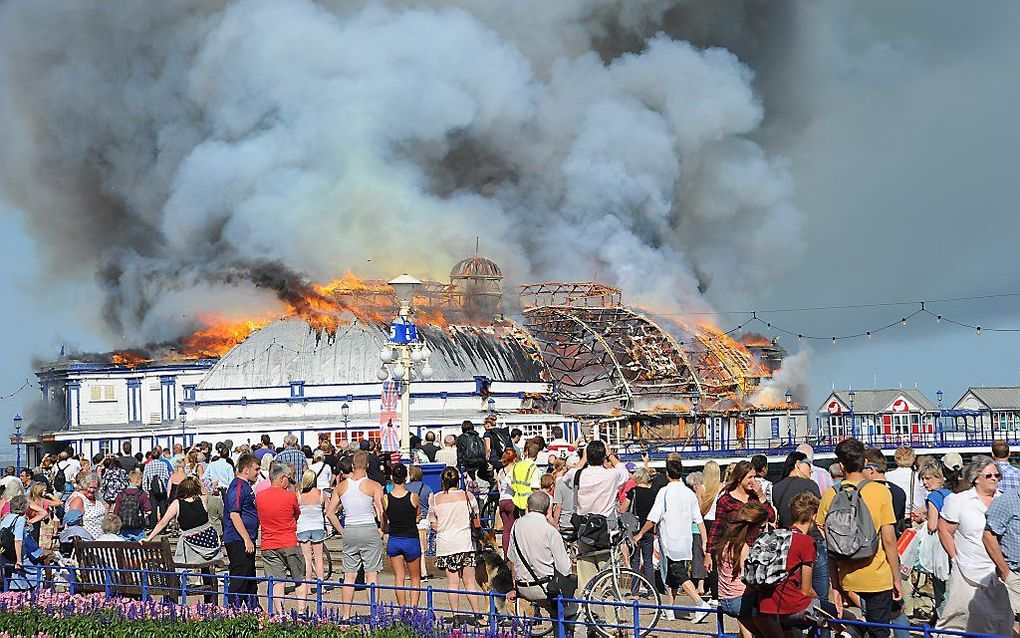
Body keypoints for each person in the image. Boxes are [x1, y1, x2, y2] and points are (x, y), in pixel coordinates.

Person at [815, 438, 901, 637]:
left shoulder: (830, 494)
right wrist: (896, 578)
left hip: (847, 576)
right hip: (878, 574)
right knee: (879, 629)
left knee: (854, 622)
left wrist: (835, 585)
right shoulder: (880, 492)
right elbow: (889, 540)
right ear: (864, 463)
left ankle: (853, 632)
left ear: (841, 466)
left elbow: (829, 542)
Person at [936, 455, 1012, 635]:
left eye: (997, 475)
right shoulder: (959, 501)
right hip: (966, 570)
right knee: (958, 618)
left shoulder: (1004, 501)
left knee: (1000, 619)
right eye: (989, 476)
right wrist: (954, 558)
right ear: (976, 478)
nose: (994, 479)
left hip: (1000, 571)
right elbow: (944, 529)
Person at [633, 459, 712, 622]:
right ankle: (670, 609)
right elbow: (699, 520)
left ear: (668, 475)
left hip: (670, 540)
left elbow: (653, 518)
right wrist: (705, 541)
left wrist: (640, 534)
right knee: (672, 575)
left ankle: (700, 603)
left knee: (677, 573)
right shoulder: (689, 493)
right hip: (685, 541)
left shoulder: (664, 492)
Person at [507, 490, 580, 637]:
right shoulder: (550, 531)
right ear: (548, 510)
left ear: (527, 506)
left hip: (522, 587)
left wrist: (514, 585)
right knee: (576, 610)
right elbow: (564, 568)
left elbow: (511, 559)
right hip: (544, 588)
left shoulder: (516, 525)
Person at [145, 476, 222, 604]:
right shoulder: (202, 499)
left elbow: (163, 522)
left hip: (190, 548)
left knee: (179, 561)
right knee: (207, 569)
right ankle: (210, 603)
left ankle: (175, 597)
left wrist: (149, 538)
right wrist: (197, 480)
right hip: (209, 545)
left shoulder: (177, 504)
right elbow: (204, 490)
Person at [327, 450, 385, 619]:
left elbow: (330, 513)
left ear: (352, 465)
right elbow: (381, 511)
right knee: (371, 574)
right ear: (367, 465)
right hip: (368, 527)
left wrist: (341, 530)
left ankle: (345, 615)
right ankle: (374, 614)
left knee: (349, 575)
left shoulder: (342, 486)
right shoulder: (374, 485)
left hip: (351, 528)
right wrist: (382, 528)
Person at [757, 492, 822, 637]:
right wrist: (819, 599)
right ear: (813, 516)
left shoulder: (775, 535)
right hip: (790, 607)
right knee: (839, 615)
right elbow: (806, 590)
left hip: (765, 606)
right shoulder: (806, 542)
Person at [573, 441, 631, 591]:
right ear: (603, 456)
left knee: (585, 577)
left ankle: (586, 610)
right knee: (608, 577)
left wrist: (583, 458)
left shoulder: (578, 475)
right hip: (606, 528)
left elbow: (566, 477)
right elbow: (625, 472)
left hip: (585, 527)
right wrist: (610, 454)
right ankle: (610, 612)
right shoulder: (611, 475)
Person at [772, 451, 827, 607]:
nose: (811, 470)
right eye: (808, 465)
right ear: (797, 464)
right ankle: (822, 621)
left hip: (788, 543)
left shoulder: (776, 487)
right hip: (812, 539)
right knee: (820, 592)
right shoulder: (810, 485)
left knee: (795, 591)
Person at [429, 466, 482, 620]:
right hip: (465, 543)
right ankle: (478, 616)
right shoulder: (468, 496)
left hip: (446, 545)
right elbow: (476, 516)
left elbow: (433, 524)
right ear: (457, 479)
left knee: (453, 584)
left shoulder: (435, 498)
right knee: (470, 583)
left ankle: (456, 617)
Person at [254, 464, 307, 614]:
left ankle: (279, 612)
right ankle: (302, 610)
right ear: (282, 478)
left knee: (277, 581)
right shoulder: (289, 496)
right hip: (288, 540)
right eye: (288, 479)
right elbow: (297, 514)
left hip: (268, 543)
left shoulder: (260, 496)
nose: (288, 482)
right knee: (299, 578)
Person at [714, 501, 770, 638]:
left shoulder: (726, 543)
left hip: (725, 599)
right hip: (739, 601)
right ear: (753, 526)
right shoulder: (743, 547)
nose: (763, 531)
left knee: (748, 625)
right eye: (762, 527)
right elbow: (747, 579)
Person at [705, 461, 776, 563]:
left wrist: (761, 496)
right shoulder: (726, 500)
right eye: (750, 477)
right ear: (739, 478)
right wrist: (709, 552)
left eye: (754, 477)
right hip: (734, 550)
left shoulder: (755, 498)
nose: (753, 481)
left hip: (756, 548)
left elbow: (771, 517)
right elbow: (717, 527)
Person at [382, 463, 422, 607]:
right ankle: (414, 608)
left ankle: (402, 609)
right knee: (415, 578)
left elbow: (384, 519)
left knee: (399, 578)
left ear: (392, 478)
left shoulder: (385, 498)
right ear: (406, 478)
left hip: (395, 539)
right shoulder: (413, 496)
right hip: (410, 538)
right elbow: (418, 516)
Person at [223, 453, 260, 608]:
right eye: (256, 469)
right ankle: (231, 611)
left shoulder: (246, 486)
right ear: (246, 470)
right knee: (239, 578)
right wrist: (246, 538)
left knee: (250, 578)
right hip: (238, 540)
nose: (258, 472)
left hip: (246, 539)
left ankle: (254, 608)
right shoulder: (238, 486)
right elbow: (234, 514)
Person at [984, 473, 1020, 624]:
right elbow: (988, 536)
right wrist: (1005, 572)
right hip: (1015, 574)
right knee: (1014, 623)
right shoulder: (1008, 501)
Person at [918, 463, 951, 620]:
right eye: (923, 479)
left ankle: (943, 623)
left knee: (940, 587)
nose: (925, 482)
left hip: (939, 547)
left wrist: (923, 517)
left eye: (928, 478)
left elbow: (932, 525)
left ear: (938, 478)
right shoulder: (950, 494)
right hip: (952, 543)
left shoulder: (933, 497)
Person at [0, 495, 50, 590]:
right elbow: (18, 540)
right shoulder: (20, 520)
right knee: (38, 575)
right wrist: (19, 560)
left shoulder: (5, 518)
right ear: (25, 507)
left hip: (5, 556)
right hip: (16, 557)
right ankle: (40, 600)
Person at [624, 468, 657, 589]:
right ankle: (651, 589)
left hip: (634, 529)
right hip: (648, 528)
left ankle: (635, 590)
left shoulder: (633, 492)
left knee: (635, 561)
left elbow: (623, 508)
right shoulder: (654, 493)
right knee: (648, 561)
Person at [862, 449, 907, 533]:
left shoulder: (865, 492)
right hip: (895, 540)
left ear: (871, 469)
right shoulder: (899, 492)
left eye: (861, 468)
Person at [296, 468, 327, 588]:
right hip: (317, 527)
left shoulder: (299, 495)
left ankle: (307, 587)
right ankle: (321, 586)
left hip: (303, 527)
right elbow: (328, 510)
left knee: (307, 559)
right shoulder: (321, 494)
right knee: (319, 558)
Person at [405, 465, 433, 580]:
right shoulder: (427, 488)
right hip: (424, 521)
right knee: (422, 550)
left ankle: (415, 573)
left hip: (409, 520)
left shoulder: (405, 488)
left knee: (410, 548)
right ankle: (423, 572)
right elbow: (431, 506)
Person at [886, 446, 925, 522]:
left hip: (893, 516)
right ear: (913, 458)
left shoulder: (887, 476)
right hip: (912, 517)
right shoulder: (918, 477)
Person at [112, 469, 152, 541]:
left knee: (125, 548)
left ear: (129, 481)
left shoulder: (121, 494)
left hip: (124, 527)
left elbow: (116, 511)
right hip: (138, 527)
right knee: (140, 548)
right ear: (138, 481)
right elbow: (148, 510)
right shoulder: (142, 494)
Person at [66, 474, 105, 540]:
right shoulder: (78, 499)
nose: (92, 490)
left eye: (95, 488)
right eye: (90, 487)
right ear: (84, 486)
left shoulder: (96, 497)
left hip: (99, 540)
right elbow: (72, 522)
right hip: (85, 541)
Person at [496, 448, 520, 555]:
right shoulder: (515, 470)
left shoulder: (501, 471)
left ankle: (506, 553)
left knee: (506, 529)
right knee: (514, 527)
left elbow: (499, 488)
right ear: (514, 458)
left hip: (502, 501)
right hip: (512, 501)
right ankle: (513, 553)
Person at [511, 438, 542, 516]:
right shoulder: (534, 468)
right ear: (537, 454)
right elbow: (535, 487)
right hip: (530, 503)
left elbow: (509, 482)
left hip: (517, 501)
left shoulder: (516, 465)